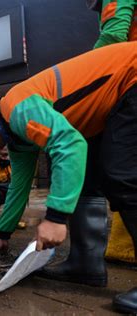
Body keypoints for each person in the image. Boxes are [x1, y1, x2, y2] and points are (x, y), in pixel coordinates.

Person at [0, 42, 137, 313]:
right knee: (89, 180)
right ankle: (85, 265)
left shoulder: (18, 108)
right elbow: (19, 186)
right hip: (108, 106)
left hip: (130, 77)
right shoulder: (15, 139)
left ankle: (86, 262)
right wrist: (3, 234)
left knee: (123, 177)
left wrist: (56, 218)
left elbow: (70, 144)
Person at [87, 0, 137, 264]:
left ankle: (121, 248)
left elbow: (114, 35)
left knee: (119, 172)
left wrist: (82, 73)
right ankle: (122, 246)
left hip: (132, 81)